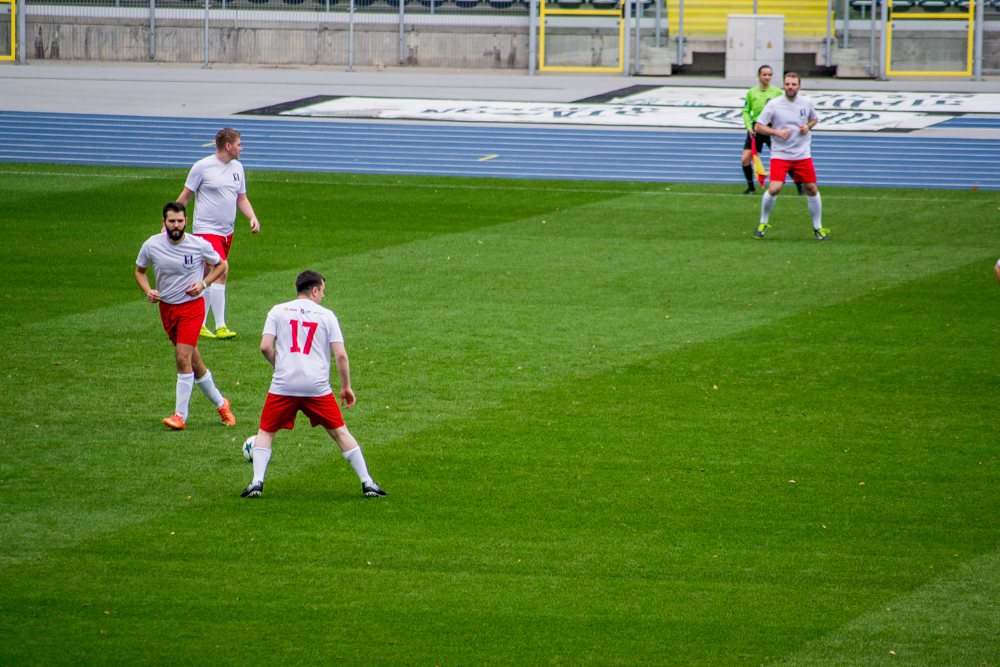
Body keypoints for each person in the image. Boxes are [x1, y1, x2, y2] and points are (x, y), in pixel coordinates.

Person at [241, 270, 386, 499]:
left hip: (283, 385)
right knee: (340, 432)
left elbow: (265, 346)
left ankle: (256, 483)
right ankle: (367, 483)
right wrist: (346, 386)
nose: (324, 296)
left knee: (266, 432)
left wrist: (281, 366)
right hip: (317, 387)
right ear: (315, 290)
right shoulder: (327, 316)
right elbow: (341, 355)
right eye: (323, 291)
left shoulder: (277, 311)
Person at [135, 202, 237, 430]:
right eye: (172, 221)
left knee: (182, 358)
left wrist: (203, 284)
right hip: (167, 310)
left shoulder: (198, 245)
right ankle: (222, 404)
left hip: (192, 308)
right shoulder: (152, 245)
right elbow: (140, 271)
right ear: (164, 222)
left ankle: (180, 416)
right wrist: (148, 290)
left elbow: (221, 265)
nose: (176, 225)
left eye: (180, 221)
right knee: (194, 362)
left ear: (186, 221)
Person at [176, 127, 261, 340]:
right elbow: (186, 196)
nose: (242, 148)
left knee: (209, 275)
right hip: (206, 230)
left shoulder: (238, 167)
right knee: (221, 269)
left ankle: (200, 323)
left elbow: (241, 198)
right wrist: (172, 221)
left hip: (226, 232)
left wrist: (252, 217)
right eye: (239, 144)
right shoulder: (202, 167)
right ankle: (221, 325)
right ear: (228, 146)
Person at [752, 73, 829, 241]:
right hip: (780, 154)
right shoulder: (774, 104)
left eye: (793, 84)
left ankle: (818, 227)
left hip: (802, 154)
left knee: (812, 189)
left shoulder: (806, 102)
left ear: (799, 86)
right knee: (774, 189)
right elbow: (758, 126)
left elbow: (814, 119)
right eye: (787, 84)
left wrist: (808, 126)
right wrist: (776, 132)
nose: (790, 87)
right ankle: (763, 222)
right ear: (783, 85)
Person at [740, 65, 782, 195]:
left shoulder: (777, 92)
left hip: (771, 129)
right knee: (745, 159)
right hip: (756, 129)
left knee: (786, 157)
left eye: (769, 75)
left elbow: (782, 110)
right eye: (764, 75)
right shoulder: (752, 92)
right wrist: (749, 127)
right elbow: (746, 111)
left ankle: (800, 187)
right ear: (759, 76)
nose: (767, 77)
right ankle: (751, 188)